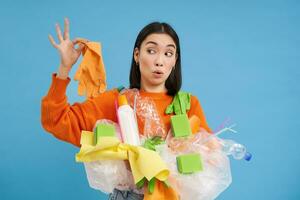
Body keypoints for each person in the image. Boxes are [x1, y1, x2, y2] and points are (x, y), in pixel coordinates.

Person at [41, 18, 212, 200]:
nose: (159, 61)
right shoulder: (118, 101)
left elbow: (210, 156)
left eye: (168, 53)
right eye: (151, 51)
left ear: (175, 60)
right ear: (137, 55)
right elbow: (56, 120)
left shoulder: (187, 105)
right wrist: (64, 68)